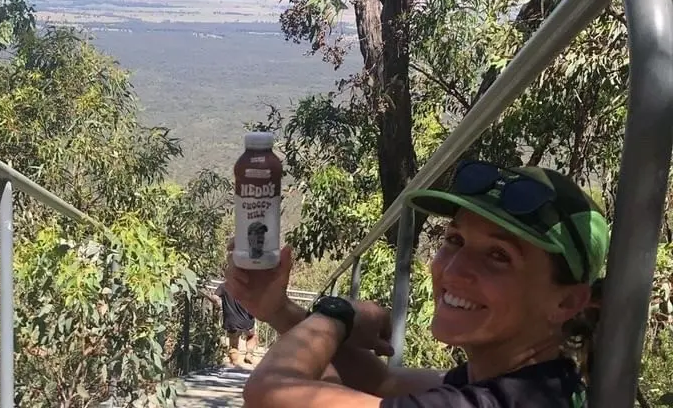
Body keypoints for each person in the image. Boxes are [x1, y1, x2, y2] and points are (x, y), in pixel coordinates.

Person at [227, 161, 609, 407]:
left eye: (498, 256)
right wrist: (278, 309)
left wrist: (338, 314)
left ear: (566, 302)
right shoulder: (532, 384)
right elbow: (382, 380)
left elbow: (267, 395)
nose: (454, 270)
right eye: (455, 240)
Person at [206, 280, 260, 366]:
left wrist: (216, 302)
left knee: (233, 343)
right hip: (246, 320)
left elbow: (215, 297)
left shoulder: (224, 286)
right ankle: (249, 354)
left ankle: (234, 363)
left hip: (231, 320)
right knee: (252, 336)